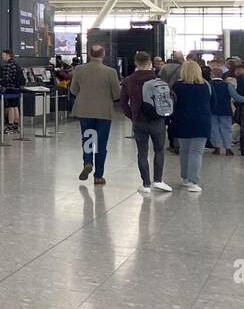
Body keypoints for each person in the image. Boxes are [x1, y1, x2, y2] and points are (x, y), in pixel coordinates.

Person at [120, 50, 171, 195]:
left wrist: (132, 115)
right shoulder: (158, 79)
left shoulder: (128, 80)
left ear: (136, 63)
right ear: (150, 63)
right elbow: (170, 98)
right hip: (157, 121)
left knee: (142, 153)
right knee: (159, 150)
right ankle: (159, 180)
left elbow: (123, 103)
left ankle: (146, 184)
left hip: (139, 121)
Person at [69, 43, 121, 186]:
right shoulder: (110, 72)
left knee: (88, 139)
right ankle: (98, 176)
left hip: (85, 110)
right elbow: (117, 94)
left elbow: (73, 90)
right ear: (103, 55)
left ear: (90, 54)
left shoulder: (79, 70)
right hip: (103, 112)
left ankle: (87, 162)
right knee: (101, 144)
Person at [170, 60, 210, 193]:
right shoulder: (206, 85)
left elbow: (172, 103)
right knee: (196, 152)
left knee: (184, 151)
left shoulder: (177, 86)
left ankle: (185, 178)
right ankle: (193, 181)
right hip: (201, 121)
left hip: (182, 121)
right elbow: (213, 103)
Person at [207, 59, 244, 155]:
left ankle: (216, 148)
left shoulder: (208, 85)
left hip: (212, 111)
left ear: (212, 75)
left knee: (214, 129)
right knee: (226, 129)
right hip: (226, 110)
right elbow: (237, 97)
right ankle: (228, 149)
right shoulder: (227, 85)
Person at [0, 49, 24, 135]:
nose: (2, 56)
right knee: (15, 106)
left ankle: (10, 126)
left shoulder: (8, 65)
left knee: (11, 107)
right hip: (16, 88)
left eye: (3, 54)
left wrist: (1, 82)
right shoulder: (16, 64)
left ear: (8, 55)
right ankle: (16, 126)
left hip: (10, 88)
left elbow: (7, 78)